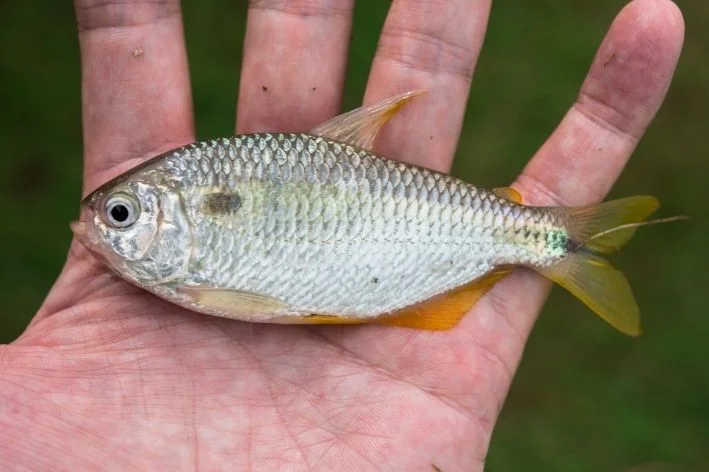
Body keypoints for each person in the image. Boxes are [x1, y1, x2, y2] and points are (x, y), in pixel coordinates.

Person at [1, 0, 684, 470]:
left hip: (379, 273)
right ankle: (553, 243)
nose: (99, 228)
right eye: (117, 216)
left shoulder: (191, 270)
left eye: (120, 215)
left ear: (179, 210)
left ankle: (555, 243)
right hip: (358, 277)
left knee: (546, 239)